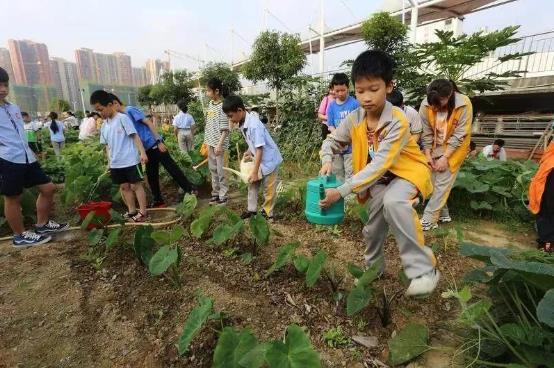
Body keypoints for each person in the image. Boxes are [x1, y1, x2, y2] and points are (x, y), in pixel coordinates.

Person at [319, 50, 438, 296]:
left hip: (406, 174)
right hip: (379, 181)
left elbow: (380, 164)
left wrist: (340, 192)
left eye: (374, 89)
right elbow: (331, 141)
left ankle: (424, 269)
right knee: (372, 229)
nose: (366, 97)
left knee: (394, 203)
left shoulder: (398, 121)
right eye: (360, 91)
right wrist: (327, 158)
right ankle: (374, 269)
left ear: (389, 86)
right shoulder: (354, 119)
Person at [0, 67, 68, 247]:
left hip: (26, 157)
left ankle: (42, 224)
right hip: (7, 159)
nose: (3, 89)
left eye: (5, 85)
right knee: (12, 197)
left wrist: (31, 153)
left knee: (48, 188)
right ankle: (19, 235)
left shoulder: (12, 107)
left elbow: (20, 133)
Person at [109, 94, 194, 207]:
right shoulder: (122, 117)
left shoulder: (130, 110)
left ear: (115, 103)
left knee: (172, 169)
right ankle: (158, 200)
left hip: (154, 145)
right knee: (151, 176)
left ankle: (191, 190)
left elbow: (148, 123)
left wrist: (158, 141)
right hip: (147, 149)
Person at [419, 79, 473, 231]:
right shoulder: (425, 104)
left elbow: (459, 135)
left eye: (439, 104)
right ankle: (444, 215)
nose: (435, 108)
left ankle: (429, 219)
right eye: (432, 104)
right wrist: (428, 154)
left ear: (449, 95)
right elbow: (427, 132)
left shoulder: (464, 104)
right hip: (436, 146)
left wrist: (445, 158)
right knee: (433, 180)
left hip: (456, 148)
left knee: (442, 181)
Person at [90, 90, 149, 222]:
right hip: (116, 162)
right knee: (124, 187)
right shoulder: (104, 125)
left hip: (130, 160)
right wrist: (109, 162)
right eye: (97, 111)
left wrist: (142, 152)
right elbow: (107, 145)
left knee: (136, 186)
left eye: (101, 109)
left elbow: (134, 136)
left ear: (110, 104)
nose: (100, 113)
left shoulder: (122, 118)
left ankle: (143, 212)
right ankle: (132, 211)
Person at [223, 95, 283, 221]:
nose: (230, 119)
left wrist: (255, 171)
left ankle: (268, 214)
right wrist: (249, 151)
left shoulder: (254, 125)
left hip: (270, 161)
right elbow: (255, 144)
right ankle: (252, 210)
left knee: (269, 189)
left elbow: (260, 149)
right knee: (252, 184)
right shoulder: (243, 122)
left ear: (239, 110)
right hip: (260, 160)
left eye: (230, 116)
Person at [326, 73, 360, 183]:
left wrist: (347, 139)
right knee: (337, 172)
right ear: (333, 90)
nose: (340, 93)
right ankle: (339, 196)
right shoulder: (331, 106)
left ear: (348, 87)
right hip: (337, 147)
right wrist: (338, 136)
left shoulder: (355, 104)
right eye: (337, 91)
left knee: (350, 173)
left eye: (343, 90)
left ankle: (350, 198)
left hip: (351, 147)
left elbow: (358, 125)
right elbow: (330, 125)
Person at [204, 77, 230, 205]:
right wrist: (206, 141)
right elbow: (209, 123)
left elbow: (225, 129)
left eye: (208, 91)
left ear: (217, 91)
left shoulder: (223, 106)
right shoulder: (210, 104)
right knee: (213, 169)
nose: (207, 93)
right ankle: (215, 193)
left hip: (220, 145)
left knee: (221, 171)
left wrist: (219, 144)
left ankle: (223, 195)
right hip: (210, 143)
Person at [529, 139, 554, 252]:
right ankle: (547, 242)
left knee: (547, 213)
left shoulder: (551, 159)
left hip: (548, 196)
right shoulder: (550, 157)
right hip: (545, 192)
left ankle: (547, 244)